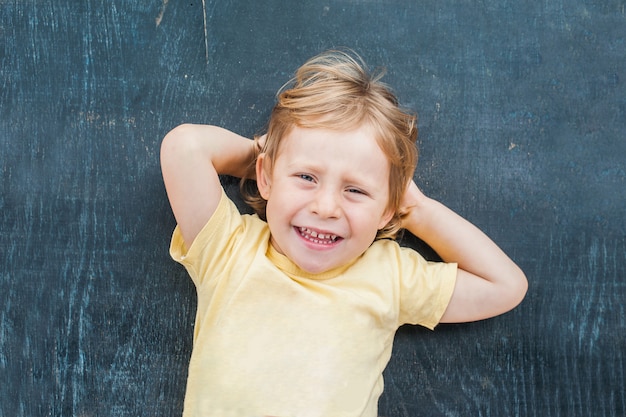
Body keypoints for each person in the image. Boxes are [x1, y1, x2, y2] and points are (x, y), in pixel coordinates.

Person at [160, 49, 527, 417]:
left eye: (355, 190)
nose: (326, 207)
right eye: (306, 177)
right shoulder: (229, 251)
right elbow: (185, 147)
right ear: (266, 176)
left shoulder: (390, 277)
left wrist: (418, 210)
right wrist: (276, 154)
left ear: (387, 209)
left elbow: (504, 286)